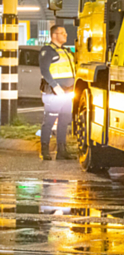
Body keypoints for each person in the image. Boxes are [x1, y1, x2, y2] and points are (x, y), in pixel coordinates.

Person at [39, 25, 76, 161]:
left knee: (64, 121)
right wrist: (55, 87)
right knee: (49, 121)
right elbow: (45, 71)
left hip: (68, 93)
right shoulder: (47, 51)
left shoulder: (66, 51)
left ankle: (62, 151)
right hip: (54, 93)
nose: (66, 35)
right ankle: (45, 150)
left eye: (65, 33)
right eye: (62, 33)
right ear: (54, 35)